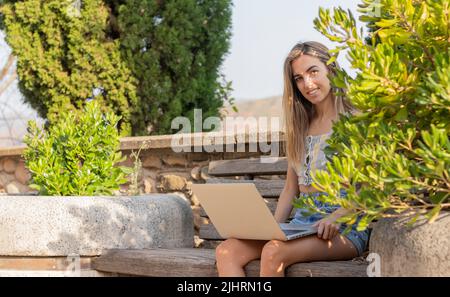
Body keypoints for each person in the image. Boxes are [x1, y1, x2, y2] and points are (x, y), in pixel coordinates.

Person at [215, 41, 370, 277]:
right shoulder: (301, 126)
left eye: (313, 71)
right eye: (298, 78)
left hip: (343, 226)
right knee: (227, 251)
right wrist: (271, 229)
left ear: (331, 69)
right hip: (301, 222)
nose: (307, 84)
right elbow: (290, 189)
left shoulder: (356, 119)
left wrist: (336, 217)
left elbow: (369, 188)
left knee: (273, 252)